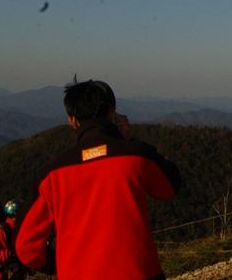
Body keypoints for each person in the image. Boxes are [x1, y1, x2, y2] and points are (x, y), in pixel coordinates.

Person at [15, 79, 182, 280]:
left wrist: (55, 264)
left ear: (72, 120)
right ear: (112, 112)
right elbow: (170, 187)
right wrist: (127, 142)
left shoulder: (50, 175)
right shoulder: (136, 155)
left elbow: (25, 247)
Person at [0, 199, 24, 280]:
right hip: (1, 274)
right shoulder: (0, 231)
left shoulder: (14, 228)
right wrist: (11, 254)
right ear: (14, 214)